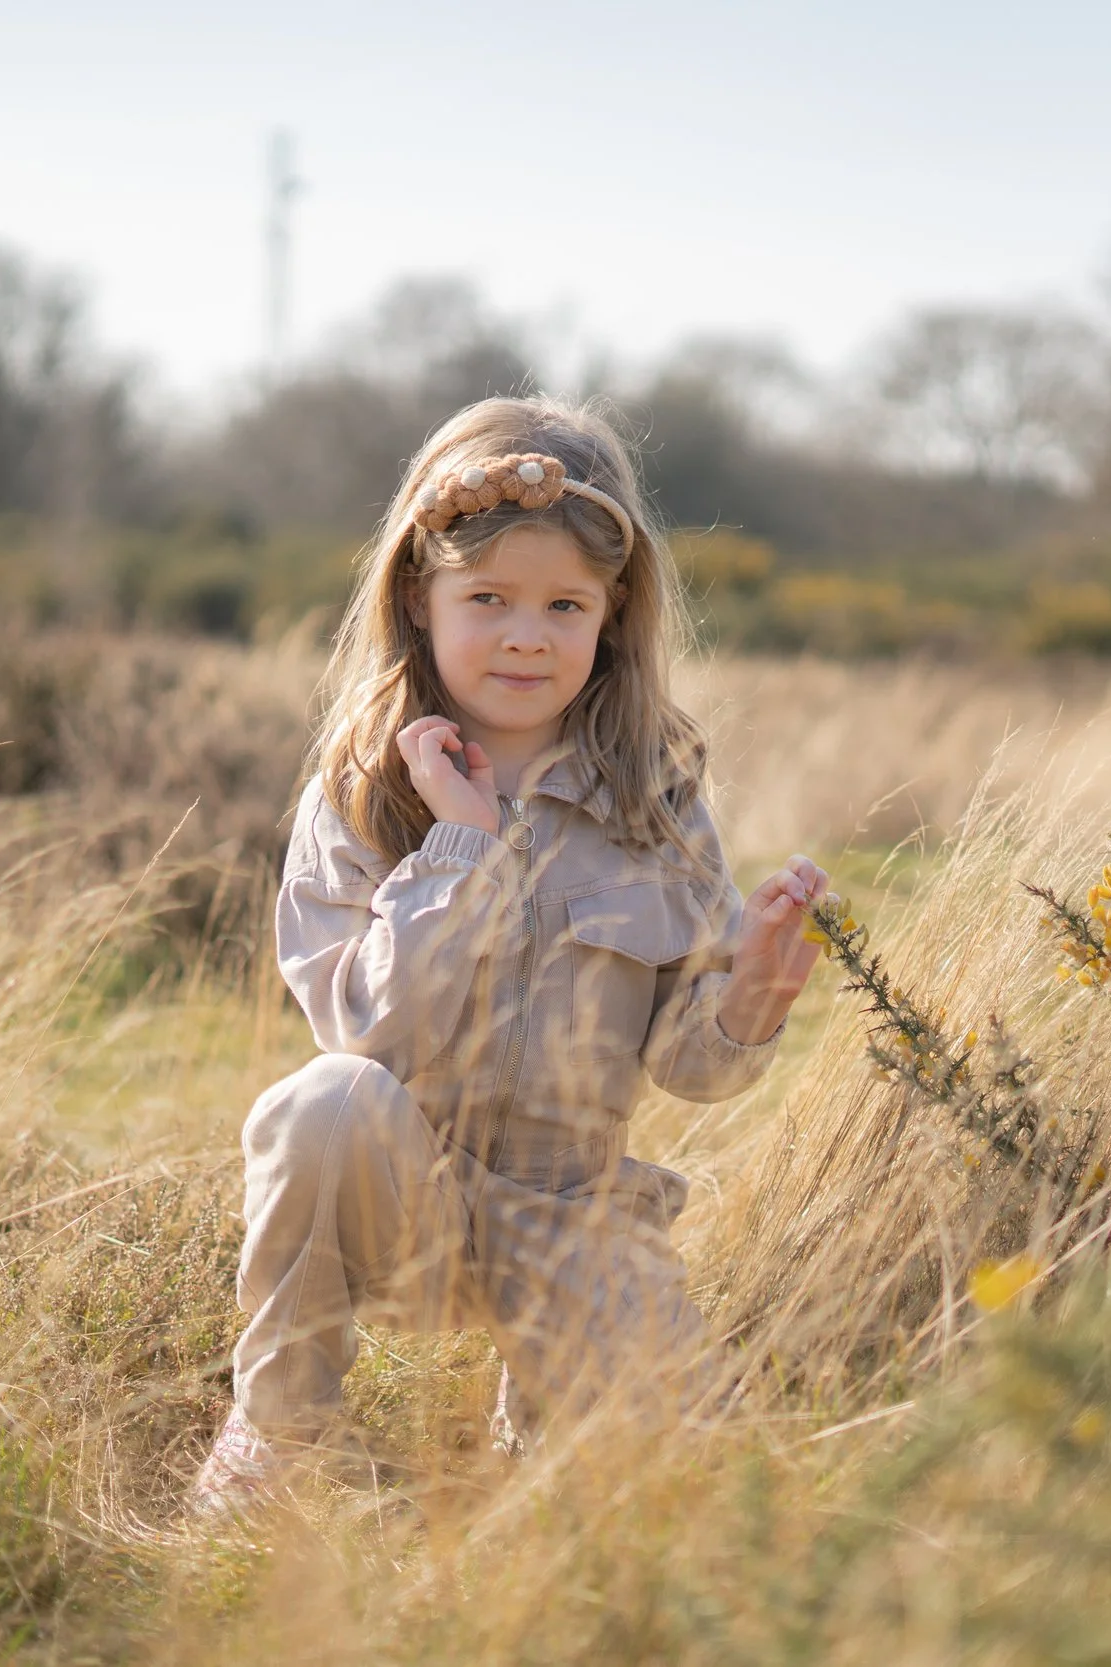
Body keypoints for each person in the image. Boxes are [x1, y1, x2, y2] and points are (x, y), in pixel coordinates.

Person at [194, 395, 830, 1511]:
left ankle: (539, 1417)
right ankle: (278, 1428)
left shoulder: (659, 799)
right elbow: (366, 1035)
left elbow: (691, 1067)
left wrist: (755, 994)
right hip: (402, 1198)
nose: (526, 634)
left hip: (573, 1215)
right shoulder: (357, 792)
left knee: (688, 1501)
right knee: (324, 1100)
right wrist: (459, 846)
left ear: (611, 613)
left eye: (562, 604)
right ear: (417, 595)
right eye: (486, 598)